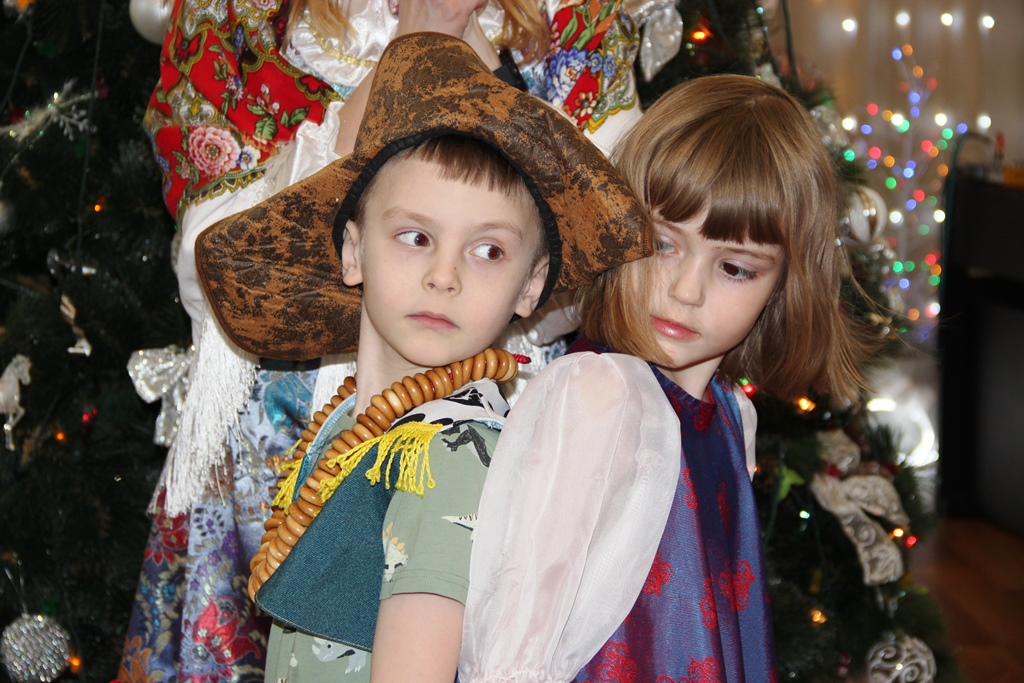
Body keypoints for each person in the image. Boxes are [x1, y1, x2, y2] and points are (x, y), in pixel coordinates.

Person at [120, 0, 642, 680]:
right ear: (352, 249)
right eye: (415, 237)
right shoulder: (350, 425)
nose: (444, 276)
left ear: (528, 281)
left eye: (485, 251)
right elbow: (216, 255)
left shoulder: (450, 453)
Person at [458, 74, 879, 682]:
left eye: (735, 268)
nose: (686, 290)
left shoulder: (734, 415)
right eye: (663, 244)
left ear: (783, 285)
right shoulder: (598, 394)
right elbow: (515, 637)